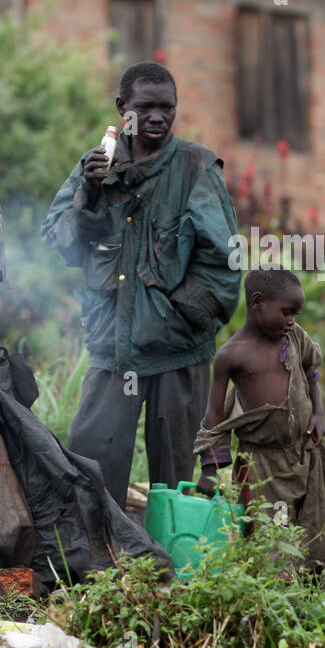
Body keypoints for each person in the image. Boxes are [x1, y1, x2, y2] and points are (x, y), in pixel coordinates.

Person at [41, 62, 241, 507]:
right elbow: (61, 242)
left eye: (166, 108)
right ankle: (97, 566)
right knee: (91, 463)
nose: (157, 118)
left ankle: (177, 568)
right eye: (145, 108)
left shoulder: (196, 166)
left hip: (178, 350)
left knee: (174, 483)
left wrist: (179, 312)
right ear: (121, 110)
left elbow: (226, 258)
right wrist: (89, 195)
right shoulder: (97, 165)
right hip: (113, 346)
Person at [192, 267, 325, 567]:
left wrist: (318, 413)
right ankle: (272, 598)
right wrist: (210, 469)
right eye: (286, 312)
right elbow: (215, 415)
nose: (292, 320)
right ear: (257, 302)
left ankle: (306, 594)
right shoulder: (232, 355)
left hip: (304, 453)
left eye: (295, 313)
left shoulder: (294, 338)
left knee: (313, 527)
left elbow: (310, 373)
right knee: (270, 536)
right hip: (261, 465)